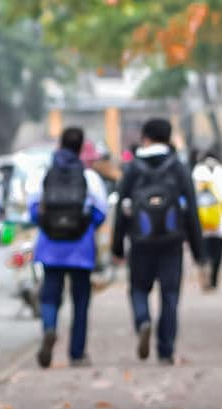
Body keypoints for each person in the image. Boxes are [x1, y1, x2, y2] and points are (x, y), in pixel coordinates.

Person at [112, 117, 204, 365]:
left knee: (138, 289)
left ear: (145, 137)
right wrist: (199, 252)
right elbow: (192, 211)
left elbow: (121, 209)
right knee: (170, 295)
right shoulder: (178, 167)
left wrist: (117, 246)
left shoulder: (132, 168)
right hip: (172, 243)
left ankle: (143, 321)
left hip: (140, 242)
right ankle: (166, 350)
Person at [30, 126, 109, 366]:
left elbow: (34, 210)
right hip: (81, 248)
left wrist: (49, 226)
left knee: (49, 295)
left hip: (50, 246)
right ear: (81, 147)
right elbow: (100, 213)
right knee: (81, 301)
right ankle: (77, 353)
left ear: (60, 145)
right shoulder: (89, 177)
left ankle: (49, 327)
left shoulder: (44, 174)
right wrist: (84, 227)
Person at [191, 148, 222, 290]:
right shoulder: (221, 174)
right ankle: (214, 279)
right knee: (217, 250)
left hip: (201, 219)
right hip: (219, 220)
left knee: (203, 248)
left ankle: (204, 270)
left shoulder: (196, 174)